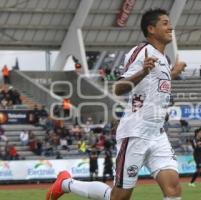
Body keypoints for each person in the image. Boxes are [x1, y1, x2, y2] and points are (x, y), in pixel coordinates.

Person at [46, 8, 186, 200]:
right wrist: (142, 72)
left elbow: (154, 84)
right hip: (135, 133)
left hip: (157, 133)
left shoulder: (162, 59)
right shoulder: (141, 52)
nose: (170, 27)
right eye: (165, 23)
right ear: (151, 29)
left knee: (173, 190)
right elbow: (119, 88)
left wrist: (173, 73)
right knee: (118, 197)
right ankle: (66, 183)